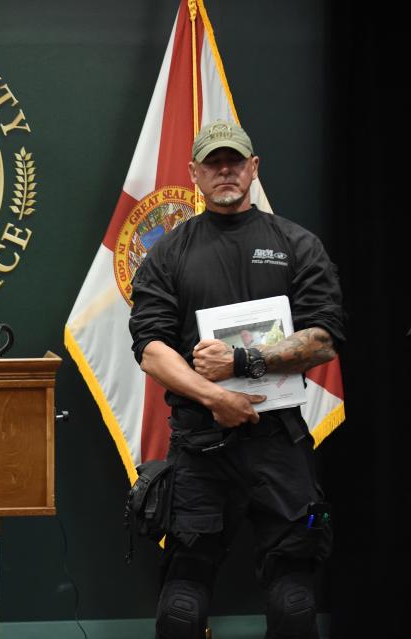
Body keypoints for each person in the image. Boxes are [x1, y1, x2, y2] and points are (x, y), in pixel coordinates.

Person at [128, 121, 344, 639]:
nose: (225, 170)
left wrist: (242, 363)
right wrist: (215, 396)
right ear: (194, 173)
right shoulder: (166, 253)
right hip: (200, 445)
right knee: (182, 600)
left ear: (253, 168)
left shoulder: (296, 244)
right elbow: (151, 349)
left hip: (278, 442)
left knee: (294, 598)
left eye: (235, 161)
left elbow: (324, 339)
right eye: (213, 162)